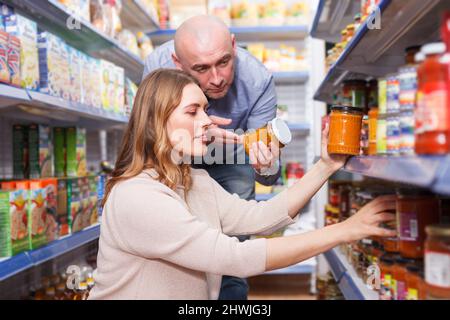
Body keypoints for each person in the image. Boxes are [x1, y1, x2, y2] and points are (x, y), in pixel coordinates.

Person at [89, 69, 396, 300]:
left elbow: (258, 219)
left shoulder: (192, 179)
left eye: (205, 110)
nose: (208, 120)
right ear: (157, 121)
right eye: (192, 111)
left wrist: (326, 165)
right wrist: (344, 230)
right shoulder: (138, 197)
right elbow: (236, 258)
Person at [142, 15, 283, 299]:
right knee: (174, 243)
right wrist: (192, 136)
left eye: (224, 62)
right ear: (177, 63)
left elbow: (269, 172)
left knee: (231, 251)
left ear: (233, 45)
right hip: (177, 155)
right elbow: (147, 145)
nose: (217, 79)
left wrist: (266, 164)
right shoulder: (156, 66)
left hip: (232, 156)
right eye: (201, 69)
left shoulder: (258, 80)